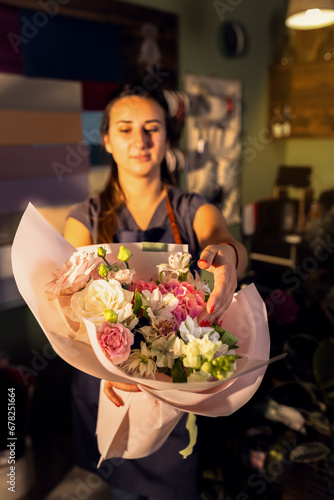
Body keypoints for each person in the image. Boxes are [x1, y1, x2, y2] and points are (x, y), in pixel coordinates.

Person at [63, 83, 248, 500]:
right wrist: (106, 368)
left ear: (167, 137)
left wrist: (228, 259)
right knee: (115, 486)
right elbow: (64, 305)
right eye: (126, 129)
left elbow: (223, 239)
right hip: (105, 386)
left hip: (173, 383)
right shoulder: (84, 218)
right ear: (107, 139)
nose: (141, 141)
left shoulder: (192, 208)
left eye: (152, 128)